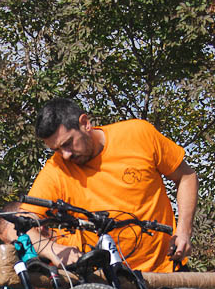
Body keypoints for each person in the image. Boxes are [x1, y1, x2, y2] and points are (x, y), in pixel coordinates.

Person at [19, 97, 199, 272]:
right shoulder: (57, 170)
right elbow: (19, 222)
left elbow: (186, 176)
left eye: (67, 143)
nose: (65, 155)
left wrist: (184, 231)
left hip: (167, 268)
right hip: (106, 279)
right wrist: (52, 250)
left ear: (85, 123)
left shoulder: (138, 134)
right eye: (56, 149)